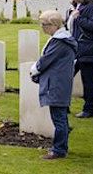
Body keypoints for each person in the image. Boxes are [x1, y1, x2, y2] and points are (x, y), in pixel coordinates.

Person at [30, 10, 77, 160]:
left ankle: (59, 150)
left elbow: (46, 59)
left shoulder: (60, 42)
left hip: (57, 83)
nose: (42, 27)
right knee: (59, 115)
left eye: (44, 24)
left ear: (54, 25)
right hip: (59, 81)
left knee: (59, 117)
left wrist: (34, 70)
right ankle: (61, 146)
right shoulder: (60, 39)